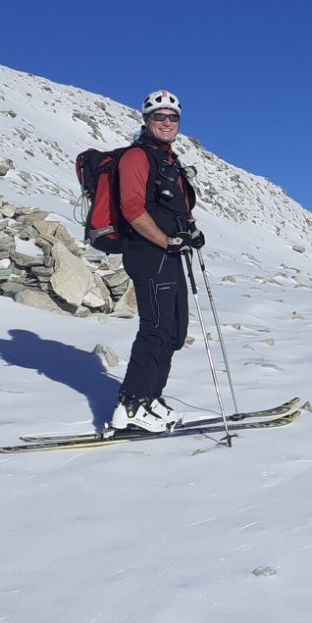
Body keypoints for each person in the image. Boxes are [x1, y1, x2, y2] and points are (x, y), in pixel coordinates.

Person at [109, 89, 205, 432]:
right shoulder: (137, 157)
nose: (167, 122)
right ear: (146, 120)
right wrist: (165, 240)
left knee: (174, 332)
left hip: (170, 255)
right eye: (159, 116)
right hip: (149, 254)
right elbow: (132, 209)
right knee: (156, 329)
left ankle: (150, 398)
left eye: (173, 117)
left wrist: (190, 231)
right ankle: (130, 405)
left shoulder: (169, 160)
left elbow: (175, 209)